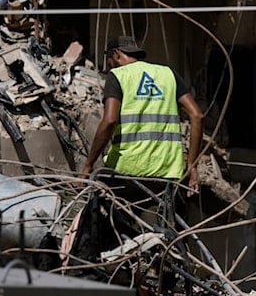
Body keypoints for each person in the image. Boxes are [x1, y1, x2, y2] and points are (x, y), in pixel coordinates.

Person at [80, 36, 205, 221]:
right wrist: (192, 165)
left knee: (114, 230)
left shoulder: (118, 76)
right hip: (168, 173)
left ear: (115, 54)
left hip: (126, 172)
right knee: (168, 233)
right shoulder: (167, 73)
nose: (109, 69)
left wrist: (89, 164)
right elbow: (197, 116)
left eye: (109, 63)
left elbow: (109, 121)